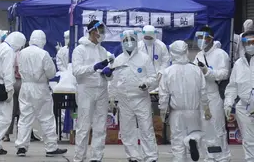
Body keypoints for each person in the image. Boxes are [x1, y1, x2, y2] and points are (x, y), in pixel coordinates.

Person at [12, 30, 67, 157]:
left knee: (25, 117)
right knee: (46, 117)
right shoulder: (44, 54)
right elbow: (51, 73)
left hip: (25, 86)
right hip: (40, 88)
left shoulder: (21, 53)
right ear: (43, 40)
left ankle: (21, 146)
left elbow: (18, 68)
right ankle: (51, 147)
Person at [109, 29, 157, 162]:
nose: (129, 43)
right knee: (127, 130)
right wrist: (112, 98)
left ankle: (151, 156)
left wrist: (146, 83)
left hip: (141, 99)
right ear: (121, 42)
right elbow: (113, 81)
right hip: (124, 100)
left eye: (131, 40)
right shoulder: (118, 60)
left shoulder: (144, 58)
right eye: (125, 40)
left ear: (137, 41)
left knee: (146, 128)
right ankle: (133, 156)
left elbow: (153, 77)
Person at [161, 40, 211, 162]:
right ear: (186, 52)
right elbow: (203, 91)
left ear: (172, 53)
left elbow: (164, 96)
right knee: (194, 134)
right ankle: (191, 141)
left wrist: (163, 113)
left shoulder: (168, 72)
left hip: (176, 113)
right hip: (193, 111)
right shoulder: (196, 70)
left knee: (178, 142)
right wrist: (206, 109)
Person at [71, 20, 112, 162]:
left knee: (100, 125)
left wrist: (108, 73)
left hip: (101, 90)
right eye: (100, 31)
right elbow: (76, 71)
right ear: (92, 31)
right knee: (83, 125)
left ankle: (96, 157)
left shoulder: (103, 51)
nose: (102, 34)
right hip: (86, 89)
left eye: (103, 31)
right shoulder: (80, 50)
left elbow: (110, 73)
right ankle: (79, 157)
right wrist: (93, 68)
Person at [193, 27, 231, 162]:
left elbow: (224, 74)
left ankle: (222, 157)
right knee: (205, 127)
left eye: (204, 38)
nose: (201, 41)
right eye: (199, 38)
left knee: (217, 127)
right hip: (202, 96)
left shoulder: (221, 54)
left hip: (214, 95)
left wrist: (207, 71)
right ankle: (209, 156)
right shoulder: (199, 55)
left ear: (211, 39)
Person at [225, 30, 254, 160]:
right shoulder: (238, 64)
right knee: (248, 140)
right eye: (246, 42)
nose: (249, 45)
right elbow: (232, 86)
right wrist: (228, 103)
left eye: (252, 41)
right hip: (244, 107)